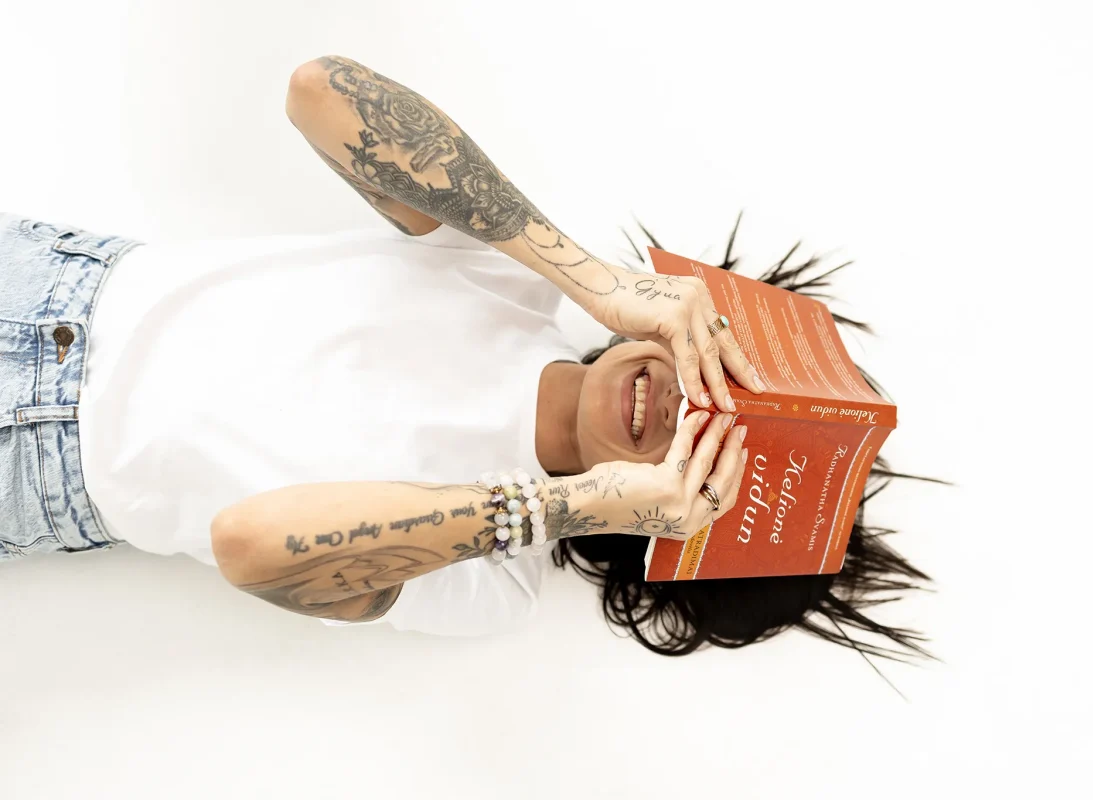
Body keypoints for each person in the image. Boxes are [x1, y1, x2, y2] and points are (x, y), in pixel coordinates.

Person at [0, 55, 928, 658]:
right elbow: (320, 91)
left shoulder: (493, 583)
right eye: (727, 378)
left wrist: (572, 504)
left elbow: (248, 546)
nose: (693, 407)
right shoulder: (514, 276)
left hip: (36, 472)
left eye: (720, 450)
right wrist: (597, 282)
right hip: (50, 281)